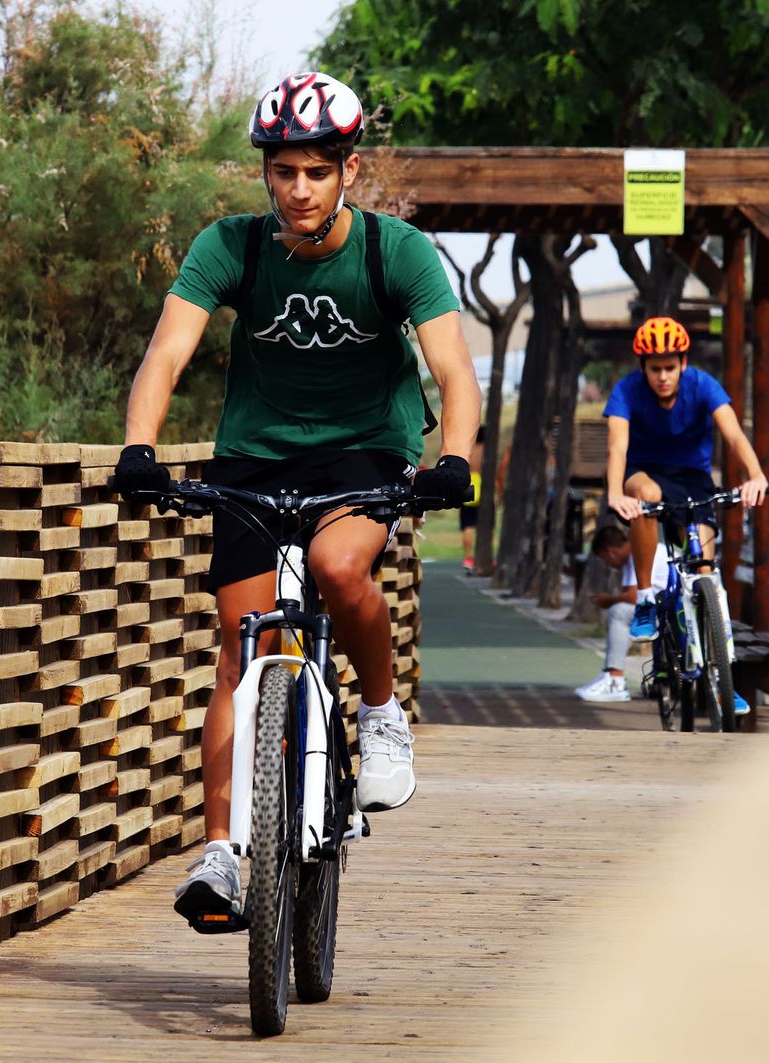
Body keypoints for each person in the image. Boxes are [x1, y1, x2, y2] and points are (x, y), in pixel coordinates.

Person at [110, 72, 481, 927]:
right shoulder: (231, 247)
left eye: (318, 171)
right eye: (285, 172)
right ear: (266, 176)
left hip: (364, 450)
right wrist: (140, 447)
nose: (300, 188)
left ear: (346, 171)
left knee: (335, 564)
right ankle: (221, 855)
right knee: (242, 655)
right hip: (255, 455)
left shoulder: (396, 253)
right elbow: (167, 353)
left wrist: (452, 458)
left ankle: (381, 714)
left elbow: (454, 370)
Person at [600, 315, 768, 715]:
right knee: (645, 494)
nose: (662, 376)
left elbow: (733, 434)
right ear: (643, 367)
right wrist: (612, 492)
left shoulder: (703, 386)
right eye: (655, 368)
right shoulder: (626, 391)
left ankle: (723, 675)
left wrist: (755, 475)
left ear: (683, 364)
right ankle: (645, 599)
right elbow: (617, 448)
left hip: (693, 480)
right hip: (645, 474)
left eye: (670, 368)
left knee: (706, 574)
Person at [573, 522, 667, 702]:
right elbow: (629, 593)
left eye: (604, 560)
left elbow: (632, 596)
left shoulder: (639, 553)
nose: (609, 565)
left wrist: (609, 600)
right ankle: (610, 674)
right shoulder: (630, 561)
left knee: (618, 612)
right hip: (662, 606)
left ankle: (615, 678)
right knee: (618, 611)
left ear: (610, 552)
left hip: (666, 610)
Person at [459, 426, 486, 573]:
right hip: (484, 488)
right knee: (486, 525)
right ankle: (484, 556)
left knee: (468, 525)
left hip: (468, 486)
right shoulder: (488, 450)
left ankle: (468, 557)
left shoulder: (468, 450)